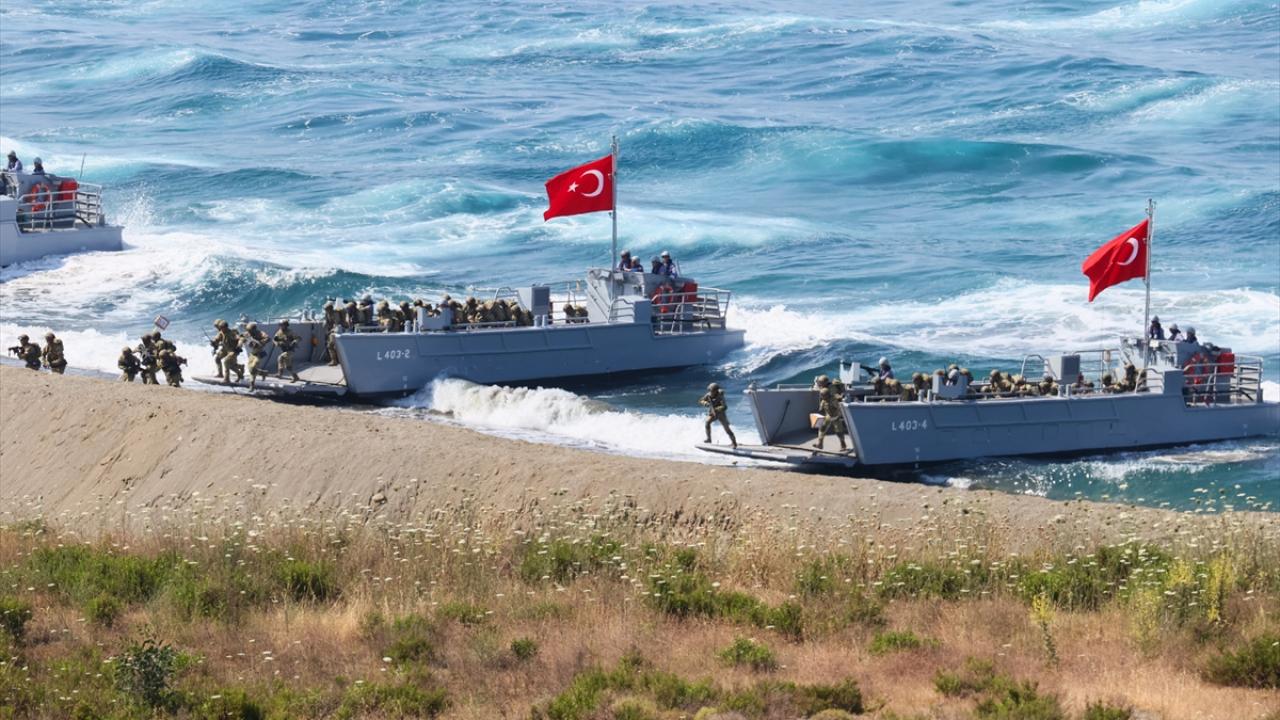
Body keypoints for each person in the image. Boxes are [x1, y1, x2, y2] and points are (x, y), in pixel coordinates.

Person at [699, 382, 737, 448]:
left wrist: (717, 409)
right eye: (710, 390)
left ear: (716, 390)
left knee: (727, 429)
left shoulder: (720, 396)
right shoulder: (708, 395)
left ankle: (734, 443)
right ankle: (709, 439)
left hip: (721, 414)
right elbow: (701, 400)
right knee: (707, 422)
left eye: (713, 391)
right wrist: (706, 403)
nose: (711, 392)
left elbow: (725, 406)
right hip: (712, 414)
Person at [814, 386, 848, 451]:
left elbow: (839, 409)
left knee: (839, 432)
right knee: (822, 429)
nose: (822, 396)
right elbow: (821, 409)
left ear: (827, 395)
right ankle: (820, 444)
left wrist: (838, 416)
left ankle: (843, 445)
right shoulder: (823, 401)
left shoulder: (833, 400)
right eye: (821, 395)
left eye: (823, 395)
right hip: (828, 416)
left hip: (836, 416)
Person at [242, 322, 270, 390]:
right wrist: (243, 341)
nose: (249, 332)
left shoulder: (260, 333)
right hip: (252, 354)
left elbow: (268, 338)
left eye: (250, 331)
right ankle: (263, 373)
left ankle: (252, 385)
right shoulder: (248, 333)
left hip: (259, 353)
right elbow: (242, 337)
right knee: (250, 369)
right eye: (248, 331)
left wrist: (260, 342)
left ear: (254, 330)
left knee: (253, 367)